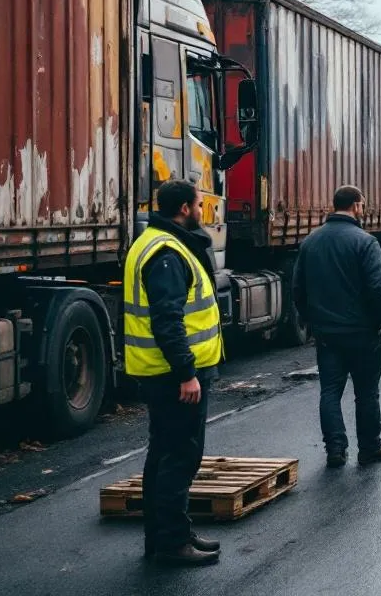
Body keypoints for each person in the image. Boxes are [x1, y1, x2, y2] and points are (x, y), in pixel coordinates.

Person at [123, 179, 223, 567]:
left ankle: (169, 534)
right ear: (184, 208)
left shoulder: (155, 242)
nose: (202, 210)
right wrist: (187, 372)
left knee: (164, 454)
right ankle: (170, 542)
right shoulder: (166, 252)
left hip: (160, 372)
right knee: (180, 456)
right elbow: (168, 320)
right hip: (172, 375)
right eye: (199, 204)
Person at [293, 185, 381, 468]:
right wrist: (379, 322)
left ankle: (335, 450)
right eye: (363, 205)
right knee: (366, 393)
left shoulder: (311, 242)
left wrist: (314, 322)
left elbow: (298, 289)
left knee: (330, 392)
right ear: (357, 205)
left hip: (327, 335)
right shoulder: (365, 242)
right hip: (363, 333)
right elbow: (378, 289)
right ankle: (369, 448)